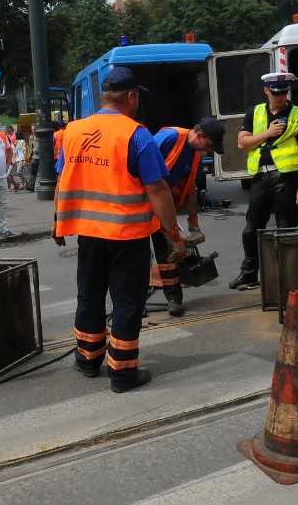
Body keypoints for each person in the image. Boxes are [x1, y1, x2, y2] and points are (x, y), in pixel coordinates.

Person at [53, 67, 185, 393]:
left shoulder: (73, 131)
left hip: (88, 233)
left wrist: (57, 221)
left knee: (90, 295)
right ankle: (123, 373)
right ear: (131, 98)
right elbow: (157, 190)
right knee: (127, 304)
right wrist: (173, 233)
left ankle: (87, 360)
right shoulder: (136, 134)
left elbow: (62, 179)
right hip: (128, 236)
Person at [229, 72, 298, 290]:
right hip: (260, 176)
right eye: (275, 93)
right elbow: (242, 143)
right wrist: (267, 133)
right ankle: (249, 273)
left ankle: (288, 276)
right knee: (251, 228)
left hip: (285, 176)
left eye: (284, 92)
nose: (280, 97)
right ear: (266, 90)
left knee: (285, 227)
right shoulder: (255, 112)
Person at [151, 118, 225, 316]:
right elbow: (138, 164)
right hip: (141, 203)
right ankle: (135, 302)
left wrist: (194, 225)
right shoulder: (170, 138)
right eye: (209, 145)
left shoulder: (195, 154)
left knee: (169, 252)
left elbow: (191, 187)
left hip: (162, 206)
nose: (208, 150)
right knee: (138, 256)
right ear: (199, 135)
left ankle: (174, 298)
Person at [26, 123, 39, 192]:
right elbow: (31, 147)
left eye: (35, 129)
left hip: (41, 156)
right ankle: (31, 186)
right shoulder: (31, 137)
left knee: (43, 172)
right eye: (32, 129)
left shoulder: (40, 136)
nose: (33, 131)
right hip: (34, 156)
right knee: (33, 171)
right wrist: (30, 156)